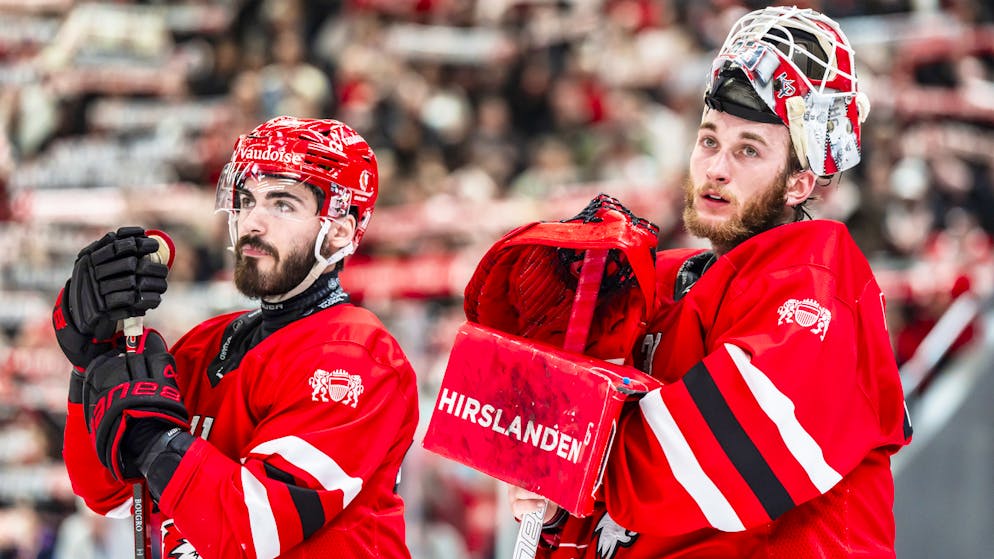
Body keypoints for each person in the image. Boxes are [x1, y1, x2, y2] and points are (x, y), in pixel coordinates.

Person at [510, 6, 912, 557]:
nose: (716, 167)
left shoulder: (821, 282)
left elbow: (695, 467)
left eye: (749, 149)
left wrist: (561, 450)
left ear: (799, 182)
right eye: (709, 140)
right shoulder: (666, 278)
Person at [53, 116, 419, 558]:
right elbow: (107, 493)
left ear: (340, 228)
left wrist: (153, 440)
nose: (253, 222)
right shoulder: (208, 343)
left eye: (282, 204)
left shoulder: (356, 358)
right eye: (246, 200)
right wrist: (93, 360)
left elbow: (251, 530)